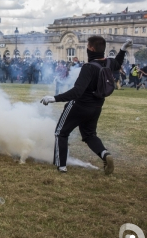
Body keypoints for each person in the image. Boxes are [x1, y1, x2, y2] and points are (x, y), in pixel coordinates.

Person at [40, 37, 132, 174]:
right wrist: (123, 49)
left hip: (79, 105)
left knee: (61, 133)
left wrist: (54, 98)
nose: (87, 48)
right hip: (96, 107)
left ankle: (61, 166)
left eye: (88, 46)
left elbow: (77, 91)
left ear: (92, 49)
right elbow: (118, 62)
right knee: (90, 135)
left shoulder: (88, 67)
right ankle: (105, 154)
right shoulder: (108, 63)